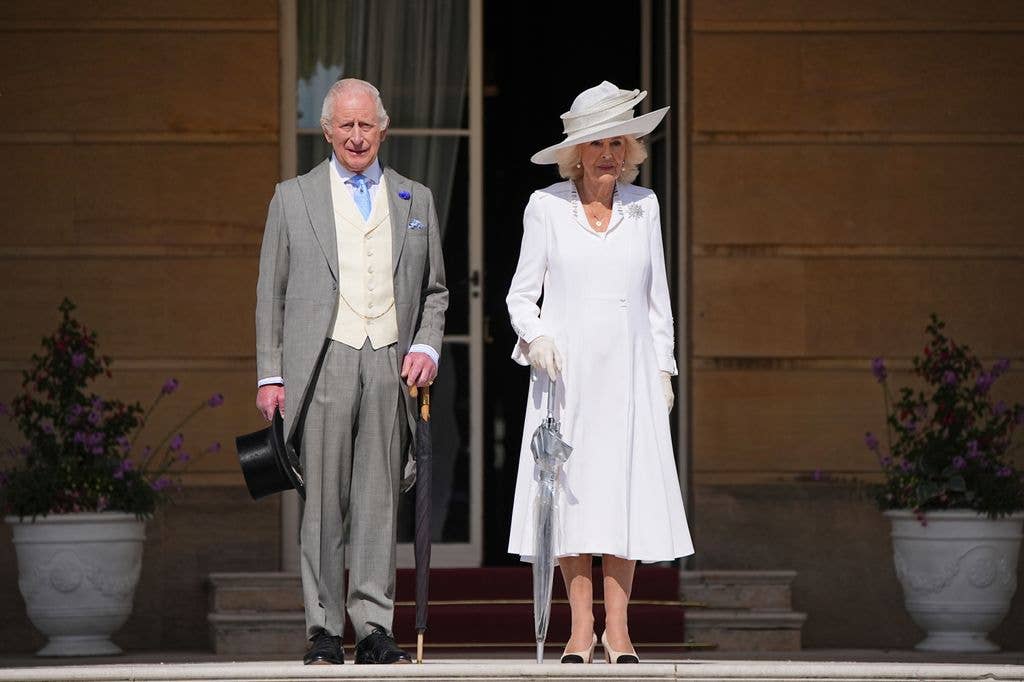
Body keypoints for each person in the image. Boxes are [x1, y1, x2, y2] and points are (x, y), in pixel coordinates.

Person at [255, 78, 447, 665]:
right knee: (322, 500)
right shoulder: (292, 197)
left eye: (367, 126)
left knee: (378, 497)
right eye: (347, 125)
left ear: (383, 129)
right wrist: (270, 375)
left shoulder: (415, 199)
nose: (357, 136)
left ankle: (372, 626)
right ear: (328, 130)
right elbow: (271, 291)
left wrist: (427, 347)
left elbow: (436, 291)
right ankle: (321, 628)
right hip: (325, 358)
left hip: (389, 360)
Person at [506, 81, 694, 664]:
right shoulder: (546, 207)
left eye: (619, 142)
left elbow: (658, 301)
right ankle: (579, 631)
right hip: (565, 377)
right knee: (569, 496)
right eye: (597, 143)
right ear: (576, 153)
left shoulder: (645, 208)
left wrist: (664, 370)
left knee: (623, 494)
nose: (609, 154)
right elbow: (519, 296)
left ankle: (620, 632)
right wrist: (536, 338)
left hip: (629, 375)